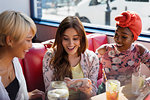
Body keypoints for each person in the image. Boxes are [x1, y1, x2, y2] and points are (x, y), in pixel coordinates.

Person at [43, 16, 99, 99]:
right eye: (66, 39)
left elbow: (93, 94)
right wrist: (62, 87)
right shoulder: (50, 57)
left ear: (81, 39)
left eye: (75, 38)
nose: (71, 44)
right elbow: (48, 93)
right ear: (60, 39)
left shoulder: (92, 58)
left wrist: (88, 91)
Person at [96, 11, 150, 94]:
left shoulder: (139, 50)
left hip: (130, 92)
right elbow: (89, 64)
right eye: (116, 34)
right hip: (107, 91)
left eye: (124, 37)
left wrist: (146, 82)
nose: (118, 39)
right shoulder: (105, 50)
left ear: (133, 39)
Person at [0, 10, 45, 100]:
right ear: (10, 41)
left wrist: (27, 95)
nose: (31, 45)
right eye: (28, 40)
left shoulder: (14, 61)